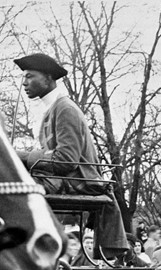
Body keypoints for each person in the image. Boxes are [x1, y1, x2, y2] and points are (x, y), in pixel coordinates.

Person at [13, 53, 127, 257]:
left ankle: (23, 251)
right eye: (24, 77)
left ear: (48, 78)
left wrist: (23, 156)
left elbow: (66, 161)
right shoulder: (51, 109)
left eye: (30, 76)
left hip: (79, 179)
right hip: (63, 178)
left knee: (11, 188)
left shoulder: (64, 108)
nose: (24, 83)